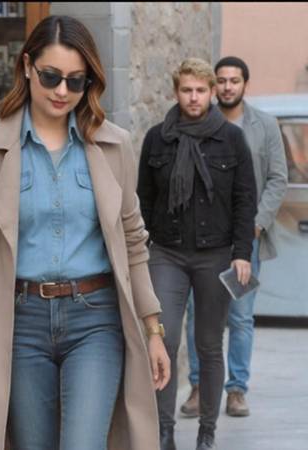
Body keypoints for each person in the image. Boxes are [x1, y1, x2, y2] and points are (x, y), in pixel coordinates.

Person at [0, 15, 170, 450]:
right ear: (28, 66)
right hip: (21, 323)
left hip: (96, 320)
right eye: (51, 76)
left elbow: (133, 242)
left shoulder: (113, 146)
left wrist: (153, 330)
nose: (62, 91)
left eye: (76, 81)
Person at [137, 58, 257, 450]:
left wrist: (242, 253)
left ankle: (207, 432)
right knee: (165, 338)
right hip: (166, 253)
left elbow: (245, 200)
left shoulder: (231, 139)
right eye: (187, 90)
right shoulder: (157, 138)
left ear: (211, 93)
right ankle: (165, 431)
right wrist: (141, 250)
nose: (194, 97)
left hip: (215, 254)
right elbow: (143, 199)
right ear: (176, 92)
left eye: (201, 90)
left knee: (208, 344)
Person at [180, 56, 288, 418]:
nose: (228, 87)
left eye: (234, 80)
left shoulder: (265, 125)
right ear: (214, 85)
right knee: (198, 312)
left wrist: (255, 225)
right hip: (202, 239)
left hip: (246, 239)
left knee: (240, 316)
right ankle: (198, 386)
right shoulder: (198, 122)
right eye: (222, 81)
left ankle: (237, 389)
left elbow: (278, 179)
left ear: (245, 84)